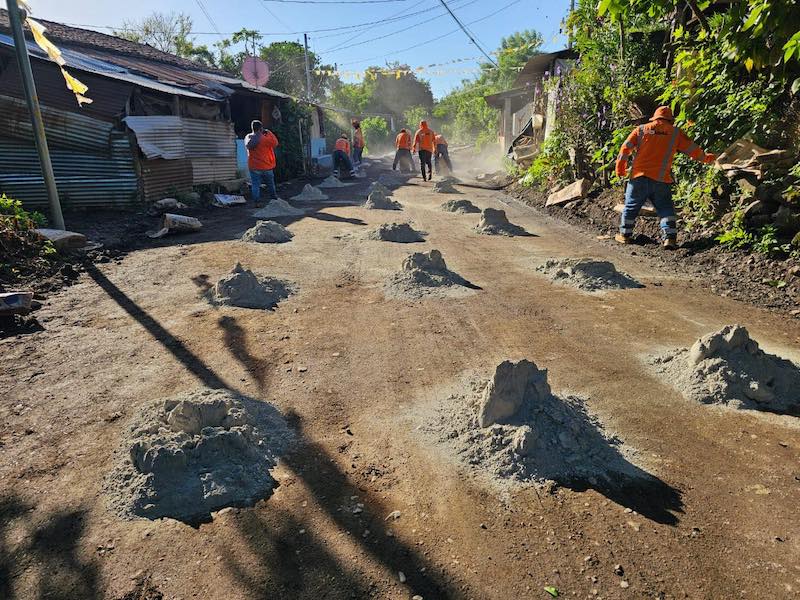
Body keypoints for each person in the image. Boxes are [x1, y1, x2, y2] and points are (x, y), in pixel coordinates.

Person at [615, 106, 716, 249]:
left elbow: (625, 149)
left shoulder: (641, 129)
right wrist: (707, 158)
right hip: (661, 180)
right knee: (665, 209)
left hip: (639, 177)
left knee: (631, 207)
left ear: (654, 118)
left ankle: (625, 235)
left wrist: (620, 168)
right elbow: (692, 150)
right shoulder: (675, 133)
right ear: (670, 119)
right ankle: (670, 239)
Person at [245, 120, 279, 205]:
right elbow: (275, 143)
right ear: (261, 128)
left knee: (255, 185)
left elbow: (248, 145)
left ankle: (257, 202)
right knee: (270, 184)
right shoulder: (265, 139)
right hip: (266, 166)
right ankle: (274, 199)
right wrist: (269, 132)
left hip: (254, 166)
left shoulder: (248, 137)